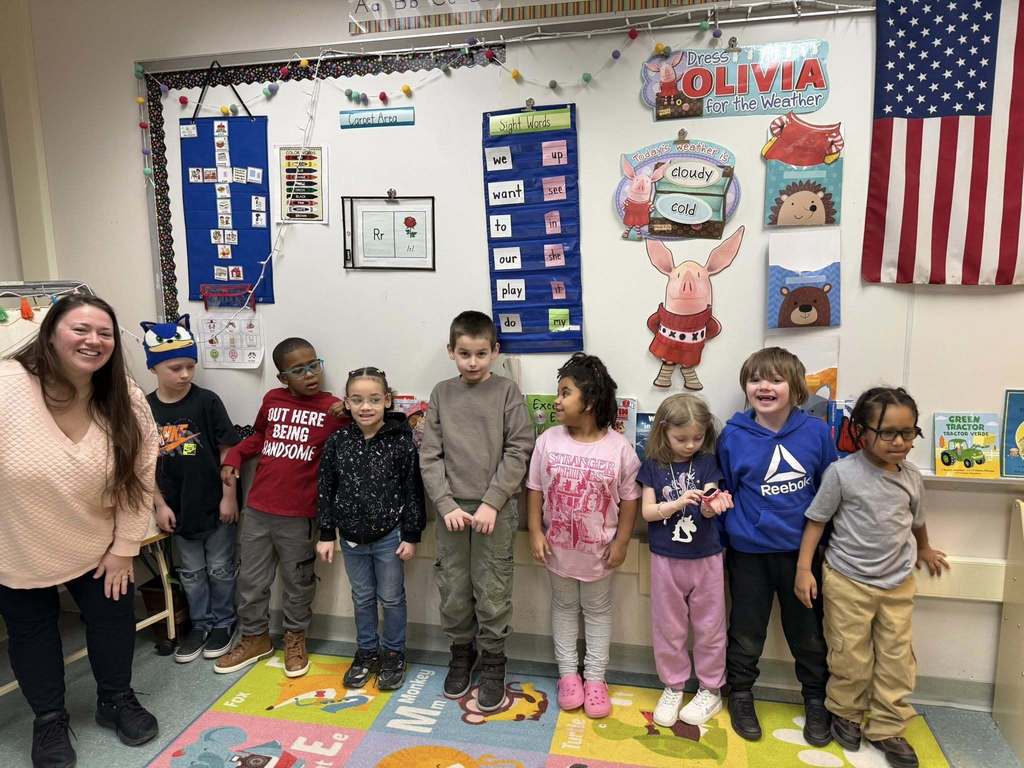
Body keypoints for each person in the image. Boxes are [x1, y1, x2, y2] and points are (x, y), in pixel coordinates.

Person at [0, 294, 160, 768]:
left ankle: (115, 699)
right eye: (80, 329)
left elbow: (141, 472)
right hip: (17, 544)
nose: (94, 340)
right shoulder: (7, 386)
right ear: (49, 333)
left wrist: (125, 546)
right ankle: (49, 719)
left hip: (98, 543)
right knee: (32, 635)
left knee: (113, 619)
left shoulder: (124, 396)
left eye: (104, 332)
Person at [795, 387, 948, 768]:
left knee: (898, 658)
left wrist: (925, 548)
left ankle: (888, 726)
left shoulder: (912, 477)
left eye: (908, 433)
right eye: (887, 433)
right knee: (849, 654)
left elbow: (918, 520)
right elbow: (816, 522)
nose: (899, 442)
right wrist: (803, 569)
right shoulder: (841, 474)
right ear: (861, 431)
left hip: (897, 584)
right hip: (847, 580)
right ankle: (845, 712)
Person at [717, 347, 837, 746]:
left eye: (775, 380)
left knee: (807, 632)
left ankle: (816, 700)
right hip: (748, 553)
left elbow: (828, 493)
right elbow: (729, 488)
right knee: (746, 630)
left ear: (796, 388)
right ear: (745, 388)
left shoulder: (818, 433)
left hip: (800, 555)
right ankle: (741, 693)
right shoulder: (733, 436)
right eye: (755, 380)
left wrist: (814, 557)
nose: (764, 387)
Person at [420, 311, 534, 711]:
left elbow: (520, 449)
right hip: (451, 509)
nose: (472, 362)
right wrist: (444, 503)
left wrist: (492, 501)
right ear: (451, 351)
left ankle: (493, 662)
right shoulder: (441, 393)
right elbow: (429, 455)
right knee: (453, 586)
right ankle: (461, 652)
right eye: (464, 353)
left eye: (481, 353)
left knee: (492, 587)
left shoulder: (507, 392)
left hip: (495, 510)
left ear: (495, 352)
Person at [216, 337, 346, 677]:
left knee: (298, 581)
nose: (310, 374)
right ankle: (255, 638)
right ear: (282, 378)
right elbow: (259, 436)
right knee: (250, 580)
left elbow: (358, 437)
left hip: (300, 514)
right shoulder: (272, 399)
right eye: (299, 370)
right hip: (258, 508)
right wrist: (234, 456)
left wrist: (348, 410)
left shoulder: (333, 409)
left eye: (314, 365)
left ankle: (295, 638)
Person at [527, 353, 640, 719]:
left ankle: (594, 678)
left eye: (565, 393)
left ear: (589, 401)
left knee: (596, 611)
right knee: (562, 608)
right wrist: (534, 531)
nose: (557, 401)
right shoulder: (548, 440)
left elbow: (630, 499)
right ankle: (567, 676)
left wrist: (622, 542)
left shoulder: (619, 448)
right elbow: (534, 489)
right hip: (557, 550)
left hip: (599, 553)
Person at [316, 367, 425, 691]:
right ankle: (366, 652)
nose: (366, 407)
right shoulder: (338, 442)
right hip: (350, 538)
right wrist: (325, 534)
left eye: (374, 400)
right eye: (358, 400)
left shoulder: (401, 442)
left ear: (387, 401)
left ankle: (393, 653)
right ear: (347, 403)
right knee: (362, 596)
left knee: (391, 597)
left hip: (390, 535)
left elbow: (412, 490)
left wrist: (411, 534)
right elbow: (325, 488)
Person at [142, 315, 241, 664]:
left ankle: (223, 623)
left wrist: (229, 496)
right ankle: (199, 625)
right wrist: (158, 505)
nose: (185, 374)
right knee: (191, 573)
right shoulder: (145, 408)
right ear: (154, 367)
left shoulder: (207, 401)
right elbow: (144, 462)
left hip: (215, 505)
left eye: (190, 366)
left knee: (220, 568)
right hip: (176, 508)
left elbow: (228, 451)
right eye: (175, 368)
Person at [637, 394, 733, 728]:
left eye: (697, 437)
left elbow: (710, 498)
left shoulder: (707, 462)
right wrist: (677, 503)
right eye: (681, 438)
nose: (690, 444)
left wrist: (710, 505)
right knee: (669, 627)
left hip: (706, 557)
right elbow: (648, 512)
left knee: (710, 626)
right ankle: (673, 685)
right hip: (666, 559)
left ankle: (710, 689)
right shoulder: (651, 466)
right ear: (663, 431)